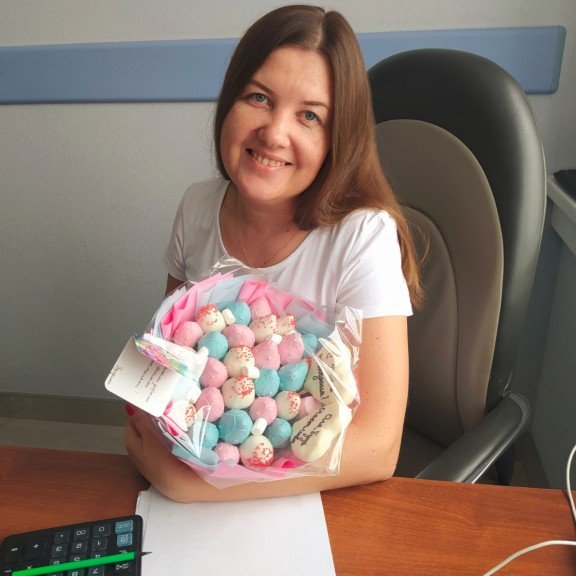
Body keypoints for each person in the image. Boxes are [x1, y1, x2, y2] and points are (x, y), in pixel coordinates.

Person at [125, 4, 422, 503]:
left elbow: (378, 448)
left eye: (309, 116)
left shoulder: (362, 236)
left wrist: (195, 486)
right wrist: (142, 407)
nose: (275, 133)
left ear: (337, 138)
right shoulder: (197, 208)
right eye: (259, 97)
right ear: (229, 101)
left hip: (317, 504)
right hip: (195, 471)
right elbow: (170, 351)